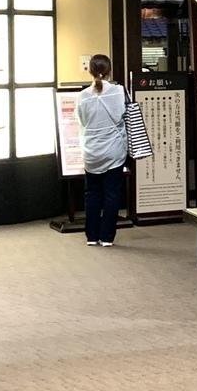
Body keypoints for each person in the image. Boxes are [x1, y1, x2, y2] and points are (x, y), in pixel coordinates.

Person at [76, 54, 126, 247]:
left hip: (91, 151)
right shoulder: (119, 91)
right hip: (114, 150)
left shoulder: (83, 96)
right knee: (112, 193)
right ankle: (107, 237)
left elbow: (82, 121)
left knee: (92, 193)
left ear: (90, 70)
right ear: (109, 70)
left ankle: (91, 235)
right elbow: (125, 115)